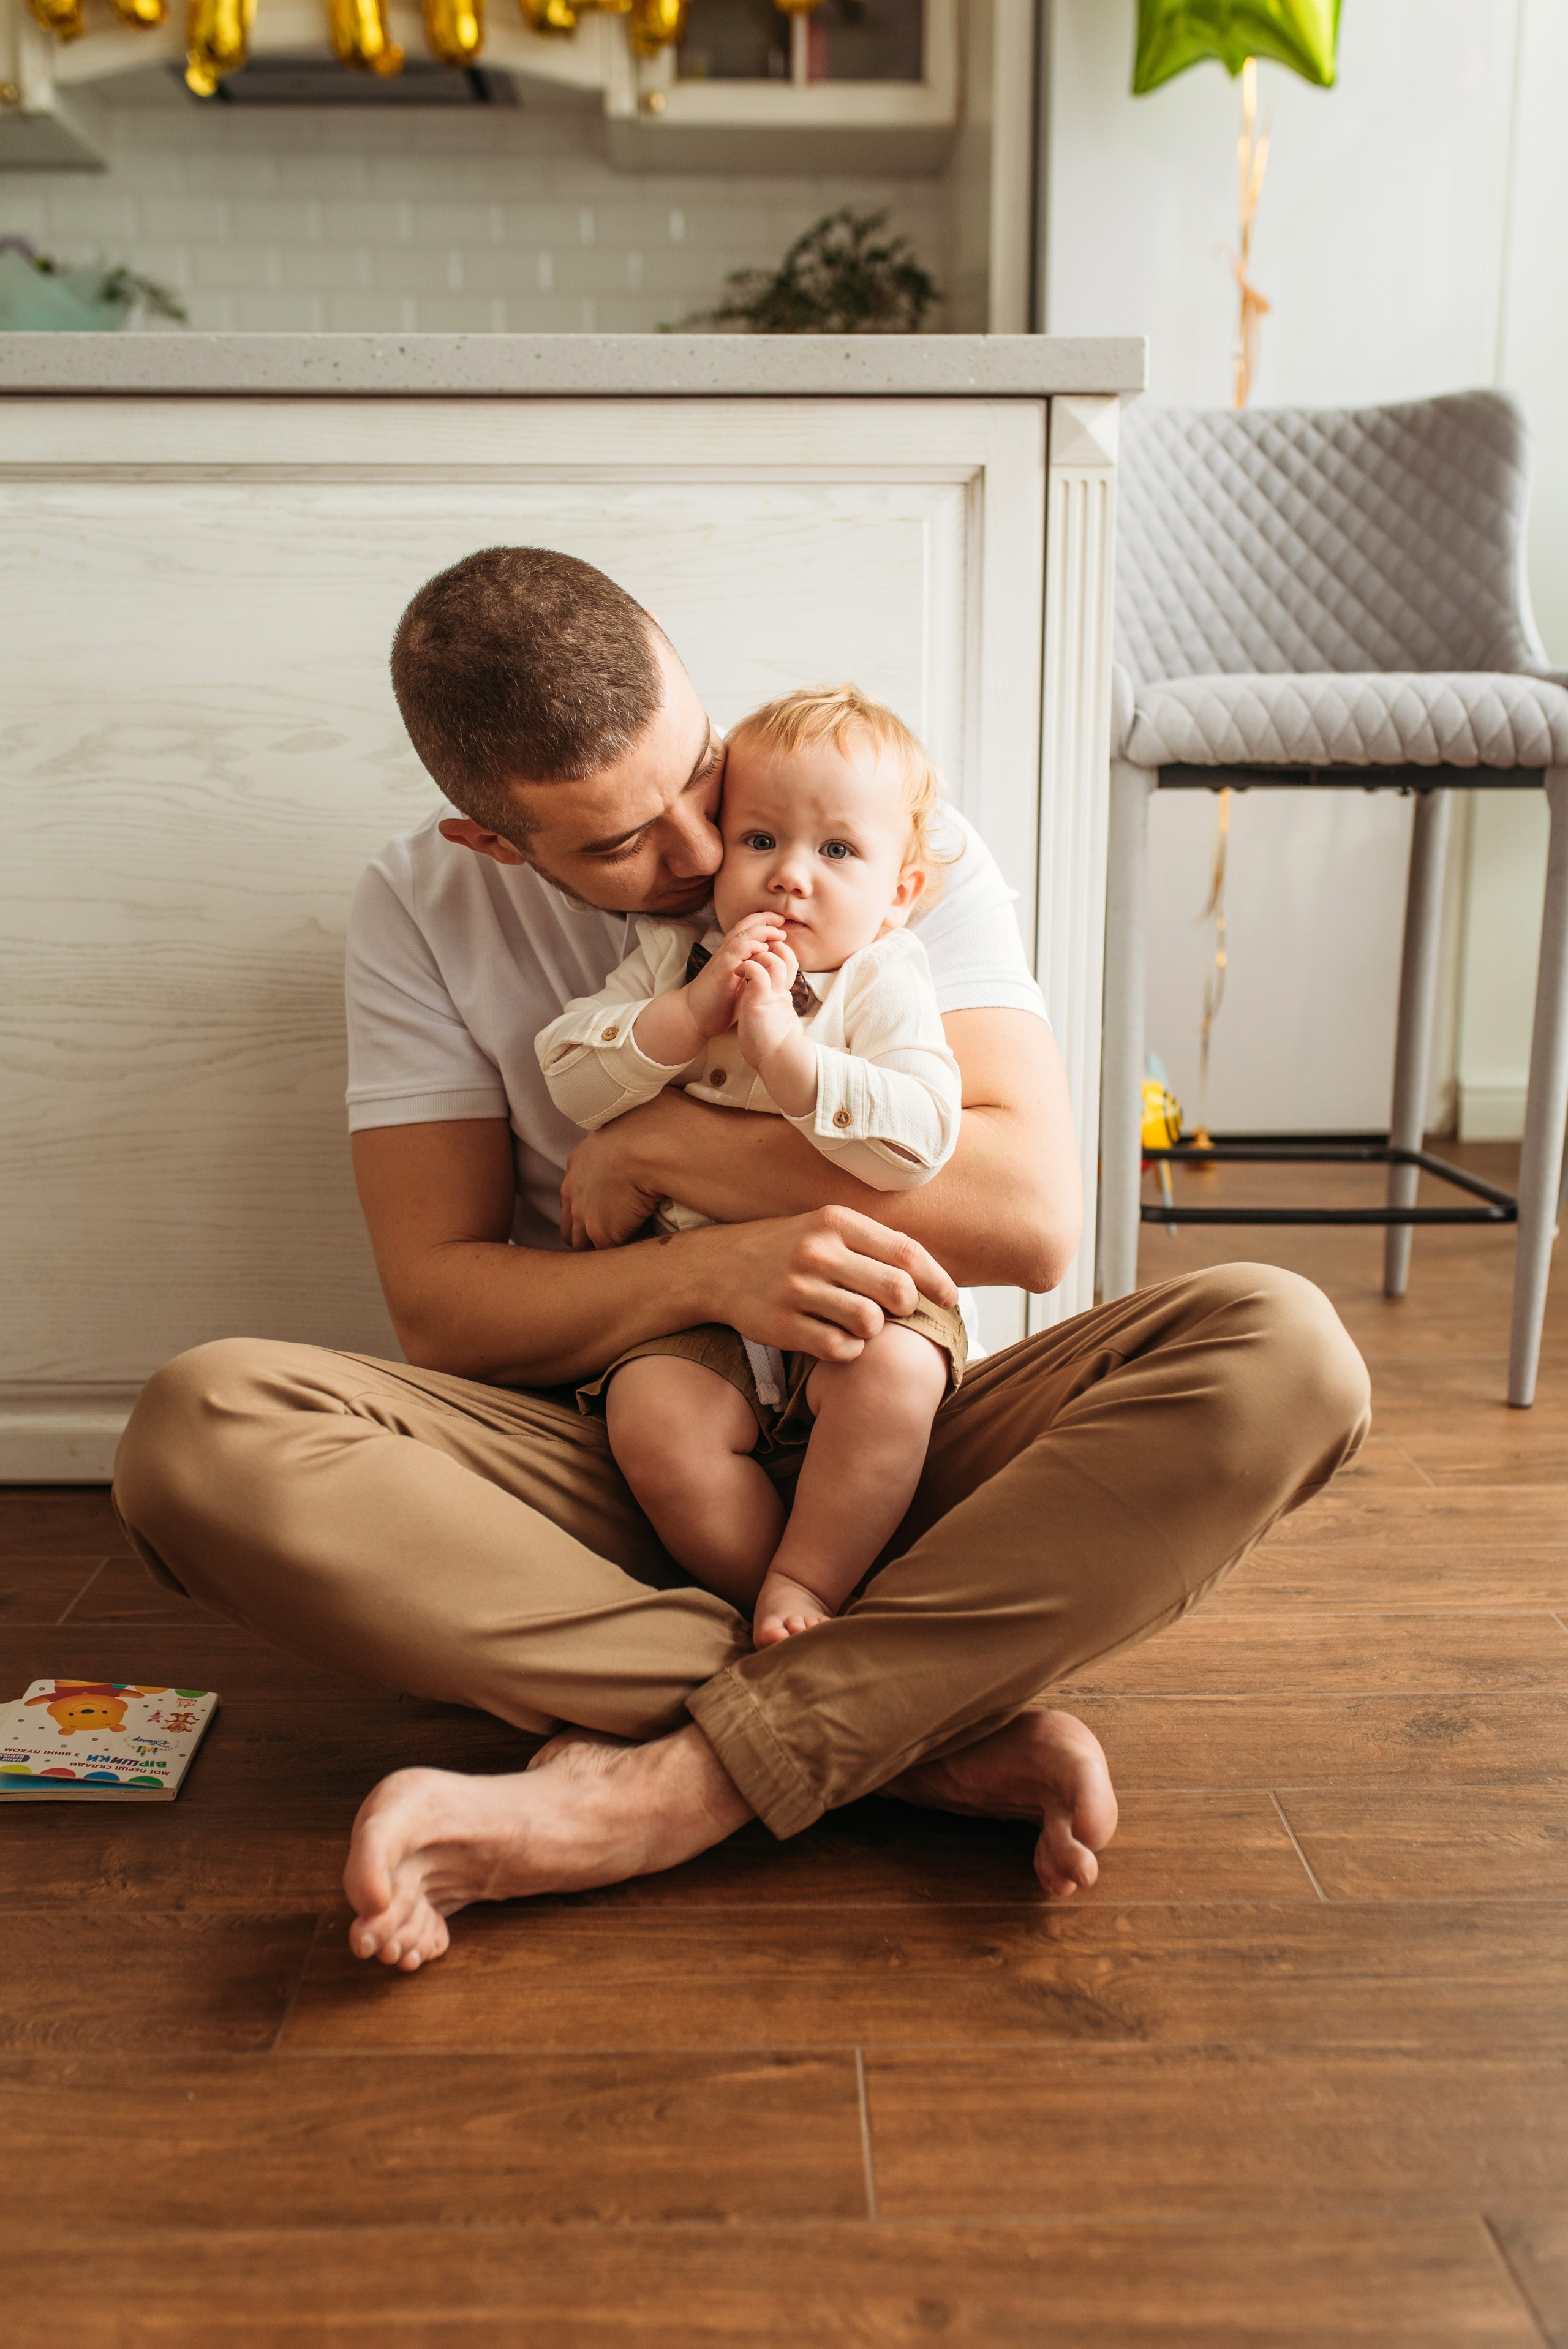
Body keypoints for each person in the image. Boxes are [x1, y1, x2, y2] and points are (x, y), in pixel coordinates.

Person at [110, 545, 1372, 1975]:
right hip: (623, 1447)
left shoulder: (868, 834)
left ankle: (661, 1786)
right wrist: (702, 1276)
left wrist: (668, 1158)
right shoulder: (419, 905)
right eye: (617, 846)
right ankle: (903, 1725)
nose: (711, 858)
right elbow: (444, 1307)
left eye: (695, 775)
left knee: (1284, 1348)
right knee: (196, 1432)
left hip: (891, 1429)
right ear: (492, 843)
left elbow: (1026, 1214)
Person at [537, 682, 967, 1648]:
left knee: (898, 1379)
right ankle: (765, 1602)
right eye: (760, 840)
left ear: (899, 893)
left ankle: (812, 1583)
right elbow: (568, 1074)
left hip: (866, 1291)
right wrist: (684, 1021)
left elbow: (922, 1142)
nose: (790, 878)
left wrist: (790, 1058)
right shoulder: (670, 960)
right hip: (694, 1301)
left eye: (838, 851)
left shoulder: (886, 981)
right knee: (652, 1425)